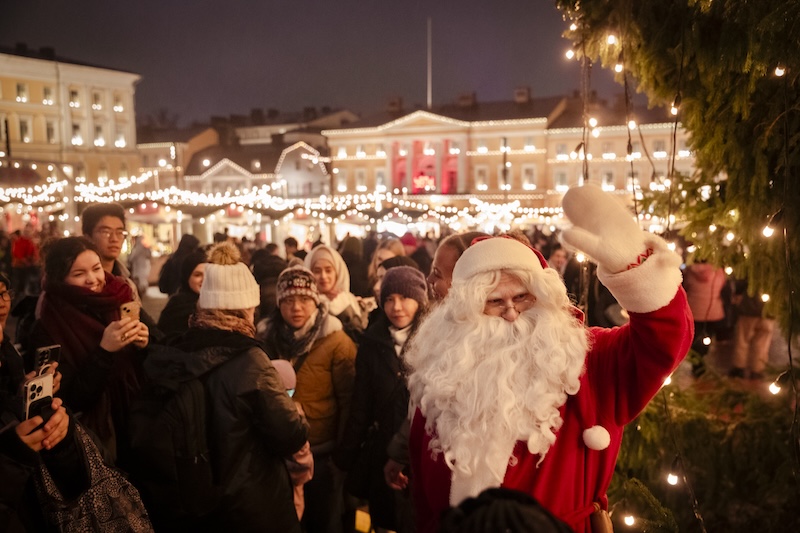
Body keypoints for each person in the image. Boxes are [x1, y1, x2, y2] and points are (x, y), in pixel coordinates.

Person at [404, 184, 693, 532]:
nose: (511, 314)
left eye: (523, 298)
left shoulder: (589, 359)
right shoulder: (444, 369)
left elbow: (664, 341)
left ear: (542, 297)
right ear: (467, 311)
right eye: (495, 302)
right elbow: (422, 485)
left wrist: (636, 268)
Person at [156, 242, 309, 532]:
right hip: (252, 501)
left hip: (200, 499)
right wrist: (297, 413)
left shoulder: (183, 347)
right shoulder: (251, 361)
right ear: (246, 308)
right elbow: (290, 434)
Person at [25, 237, 150, 465]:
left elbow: (149, 362)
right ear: (61, 279)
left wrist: (143, 345)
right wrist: (104, 350)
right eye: (79, 274)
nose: (92, 279)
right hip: (95, 436)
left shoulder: (120, 296)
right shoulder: (49, 323)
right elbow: (73, 398)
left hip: (135, 419)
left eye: (96, 268)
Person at [382, 231, 488, 493]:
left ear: (467, 281)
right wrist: (400, 452)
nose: (429, 280)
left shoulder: (485, 346)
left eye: (438, 274)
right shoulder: (442, 329)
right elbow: (424, 405)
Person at [257, 266, 357, 533]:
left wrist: (342, 455)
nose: (297, 308)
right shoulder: (264, 339)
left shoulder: (337, 341)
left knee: (324, 521)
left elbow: (349, 401)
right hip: (279, 454)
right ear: (279, 304)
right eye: (288, 300)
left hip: (322, 451)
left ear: (315, 301)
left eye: (304, 300)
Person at [336, 266, 428, 533]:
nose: (396, 307)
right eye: (389, 299)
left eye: (404, 298)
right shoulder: (372, 341)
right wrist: (347, 454)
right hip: (382, 448)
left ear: (419, 300)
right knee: (384, 520)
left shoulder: (434, 340)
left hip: (421, 452)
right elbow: (361, 404)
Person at [0, 271, 90, 532]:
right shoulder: (44, 321)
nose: (2, 301)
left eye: (4, 293)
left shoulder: (8, 349)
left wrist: (30, 394)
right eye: (80, 272)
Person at [304, 244, 369, 342]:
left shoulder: (348, 299)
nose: (323, 276)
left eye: (328, 270)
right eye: (317, 271)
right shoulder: (305, 303)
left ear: (337, 272)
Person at [683, 260, 728, 376]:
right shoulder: (718, 271)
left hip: (694, 312)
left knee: (695, 339)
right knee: (707, 338)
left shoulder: (689, 272)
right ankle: (702, 358)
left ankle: (697, 364)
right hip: (713, 311)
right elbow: (723, 287)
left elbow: (685, 287)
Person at [728, 279, 776, 380]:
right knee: (762, 343)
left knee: (742, 340)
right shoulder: (779, 270)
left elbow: (740, 284)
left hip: (748, 310)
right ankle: (757, 369)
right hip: (769, 312)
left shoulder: (752, 268)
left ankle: (739, 367)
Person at [156, 248, 207, 342]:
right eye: (197, 275)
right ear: (187, 277)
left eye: (207, 274)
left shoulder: (215, 303)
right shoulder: (177, 306)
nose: (204, 279)